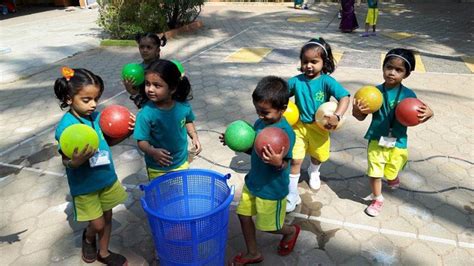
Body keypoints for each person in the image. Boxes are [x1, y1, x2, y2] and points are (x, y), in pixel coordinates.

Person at [54, 67, 134, 265]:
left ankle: (104, 253)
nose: (93, 104)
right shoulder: (66, 127)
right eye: (86, 100)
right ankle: (89, 238)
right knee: (97, 224)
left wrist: (126, 133)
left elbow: (107, 143)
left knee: (107, 217)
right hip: (85, 186)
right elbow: (66, 161)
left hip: (106, 178)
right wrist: (76, 162)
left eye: (96, 99)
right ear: (69, 98)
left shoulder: (97, 117)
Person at [221, 76, 299, 265]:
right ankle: (253, 252)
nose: (260, 116)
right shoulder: (259, 124)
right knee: (244, 215)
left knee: (269, 227)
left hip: (272, 190)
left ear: (282, 109)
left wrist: (277, 161)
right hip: (253, 182)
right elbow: (256, 151)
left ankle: (290, 231)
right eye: (257, 111)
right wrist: (239, 144)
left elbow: (285, 165)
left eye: (265, 112)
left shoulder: (285, 133)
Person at [352, 48, 434, 217]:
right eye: (388, 67)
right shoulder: (372, 93)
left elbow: (417, 116)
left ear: (406, 74)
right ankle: (377, 198)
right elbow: (360, 117)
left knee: (392, 168)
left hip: (398, 141)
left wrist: (429, 114)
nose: (392, 73)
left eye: (398, 70)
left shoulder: (408, 95)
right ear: (383, 68)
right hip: (376, 139)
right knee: (375, 171)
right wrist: (357, 110)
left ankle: (392, 176)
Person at [286, 38, 350, 213]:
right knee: (295, 159)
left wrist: (337, 115)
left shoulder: (327, 82)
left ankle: (314, 171)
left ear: (324, 62)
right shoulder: (295, 81)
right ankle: (291, 194)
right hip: (298, 127)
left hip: (320, 129)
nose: (308, 66)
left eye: (314, 62)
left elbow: (344, 97)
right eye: (305, 61)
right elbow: (281, 94)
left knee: (318, 156)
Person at [133, 59, 201, 180]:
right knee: (162, 197)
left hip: (181, 162)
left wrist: (194, 137)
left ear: (173, 88)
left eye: (157, 85)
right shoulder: (145, 114)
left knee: (179, 193)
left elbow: (188, 121)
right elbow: (142, 141)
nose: (150, 89)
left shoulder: (182, 106)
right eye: (147, 84)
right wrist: (152, 152)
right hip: (158, 167)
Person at [124, 33, 167, 105]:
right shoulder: (137, 70)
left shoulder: (164, 67)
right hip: (146, 108)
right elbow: (136, 93)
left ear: (157, 50)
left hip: (163, 107)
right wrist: (129, 88)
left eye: (149, 47)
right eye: (141, 47)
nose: (145, 50)